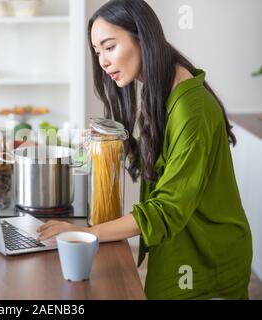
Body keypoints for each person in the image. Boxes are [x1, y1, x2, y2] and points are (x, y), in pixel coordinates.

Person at [36, 0, 252, 300]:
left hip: (207, 263)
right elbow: (162, 165)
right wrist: (111, 144)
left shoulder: (192, 109)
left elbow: (166, 210)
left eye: (109, 47)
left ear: (142, 37)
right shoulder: (163, 87)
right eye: (97, 52)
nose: (102, 62)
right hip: (179, 250)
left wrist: (85, 235)